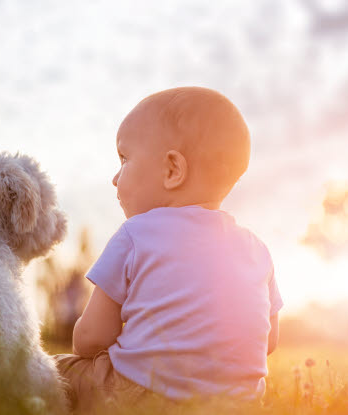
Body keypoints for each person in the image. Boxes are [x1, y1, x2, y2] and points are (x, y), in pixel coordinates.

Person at [54, 86, 283, 414]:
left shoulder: (135, 234)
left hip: (137, 397)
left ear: (172, 170)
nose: (115, 178)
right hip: (236, 404)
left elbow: (90, 338)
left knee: (54, 371)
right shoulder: (257, 249)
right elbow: (269, 342)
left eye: (124, 159)